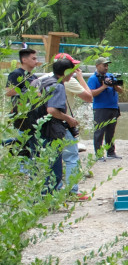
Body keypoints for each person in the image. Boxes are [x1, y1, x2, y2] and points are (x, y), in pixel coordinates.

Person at [34, 59, 82, 195]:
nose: (72, 75)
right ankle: (58, 196)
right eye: (71, 72)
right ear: (66, 72)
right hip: (53, 130)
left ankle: (46, 195)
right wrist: (69, 118)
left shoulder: (45, 82)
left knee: (48, 164)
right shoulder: (59, 86)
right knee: (57, 164)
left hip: (41, 128)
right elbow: (52, 110)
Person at [49, 53, 93, 197]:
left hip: (48, 125)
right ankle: (72, 191)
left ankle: (54, 190)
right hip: (61, 123)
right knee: (71, 157)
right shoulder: (69, 81)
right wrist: (80, 78)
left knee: (54, 158)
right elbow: (89, 97)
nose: (74, 70)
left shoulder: (46, 79)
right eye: (72, 67)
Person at [88, 56, 124, 160]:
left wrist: (113, 85)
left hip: (113, 108)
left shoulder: (110, 76)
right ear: (97, 66)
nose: (106, 67)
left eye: (107, 65)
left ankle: (111, 152)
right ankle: (99, 155)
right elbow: (91, 94)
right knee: (99, 132)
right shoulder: (93, 78)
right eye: (104, 65)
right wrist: (103, 87)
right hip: (100, 109)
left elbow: (121, 90)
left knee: (111, 132)